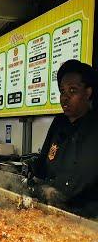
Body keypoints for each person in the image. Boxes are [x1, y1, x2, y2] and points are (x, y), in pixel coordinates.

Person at [27, 59, 98, 217]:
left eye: (72, 91)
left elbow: (85, 176)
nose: (64, 98)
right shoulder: (59, 122)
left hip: (86, 221)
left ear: (88, 92)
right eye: (62, 91)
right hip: (52, 213)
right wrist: (37, 181)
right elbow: (43, 164)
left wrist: (56, 192)